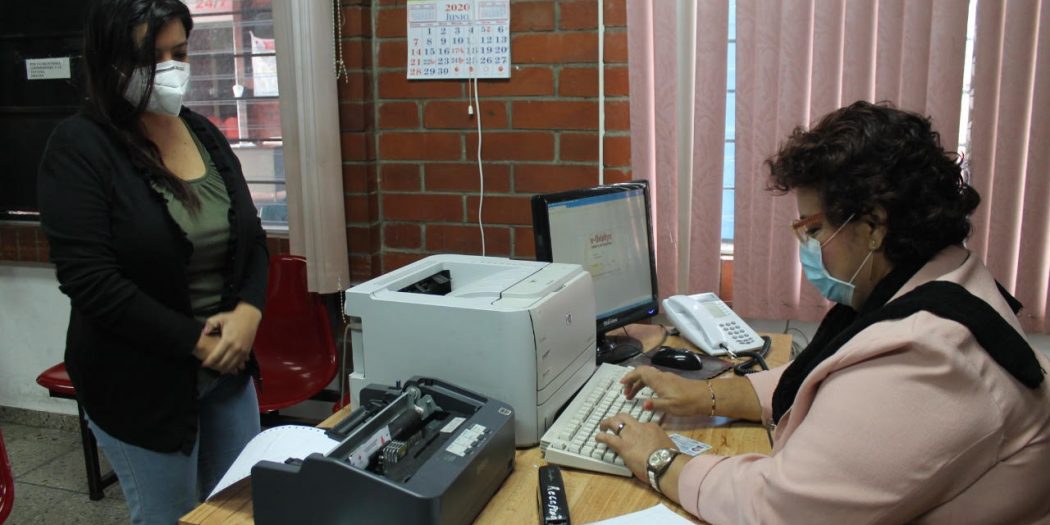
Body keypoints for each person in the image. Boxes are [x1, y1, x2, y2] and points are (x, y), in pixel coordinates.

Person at [595, 101, 1050, 523]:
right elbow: (823, 380)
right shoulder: (944, 278)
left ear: (872, 226)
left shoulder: (929, 355)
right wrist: (705, 396)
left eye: (813, 230)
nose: (808, 248)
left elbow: (780, 509)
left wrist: (661, 461)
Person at [37, 1, 268, 523]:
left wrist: (249, 312)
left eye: (178, 53)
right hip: (138, 383)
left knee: (239, 509)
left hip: (227, 371)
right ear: (110, 59)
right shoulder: (79, 147)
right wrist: (195, 341)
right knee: (170, 516)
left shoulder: (202, 133)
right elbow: (90, 281)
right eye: (149, 56)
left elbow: (251, 240)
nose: (169, 69)